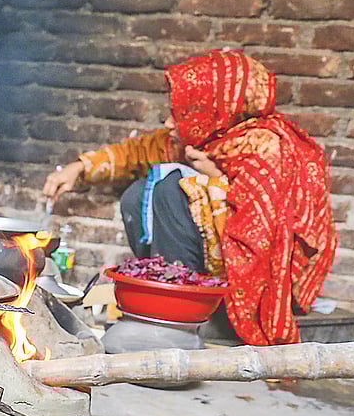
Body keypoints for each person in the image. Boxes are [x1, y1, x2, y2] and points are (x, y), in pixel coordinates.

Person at [43, 50, 337, 346]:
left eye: (180, 113)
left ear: (213, 107)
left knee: (171, 189)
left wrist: (216, 179)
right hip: (224, 264)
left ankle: (191, 312)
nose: (171, 124)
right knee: (137, 193)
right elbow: (137, 152)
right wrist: (78, 168)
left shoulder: (269, 148)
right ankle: (165, 303)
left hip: (266, 280)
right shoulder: (206, 136)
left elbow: (261, 240)